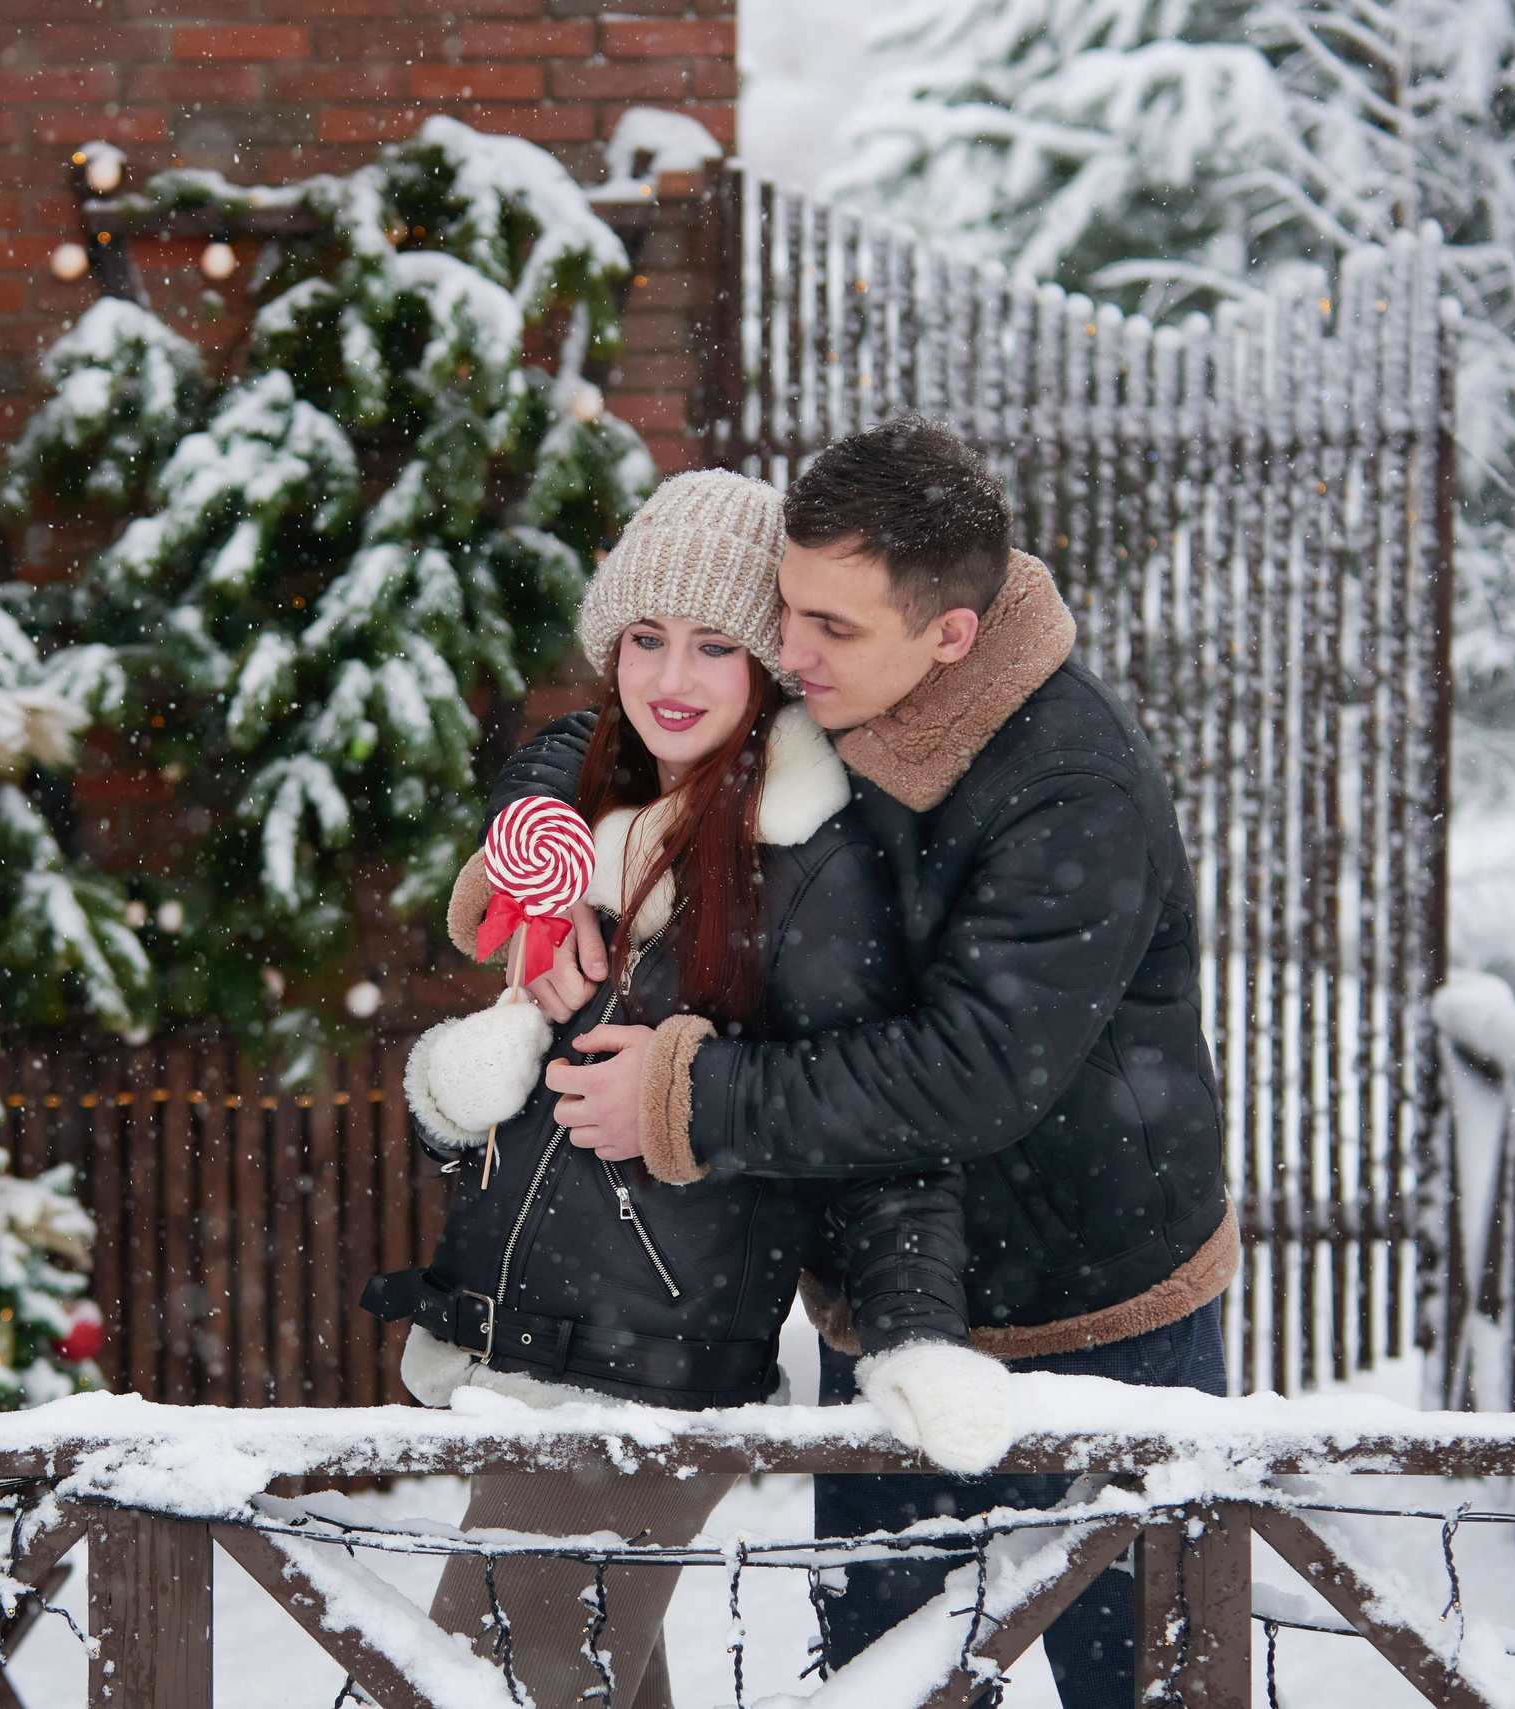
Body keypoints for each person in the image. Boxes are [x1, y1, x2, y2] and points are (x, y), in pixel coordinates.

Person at [476, 419, 1233, 1709]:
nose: (789, 651)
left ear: (949, 634)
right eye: (784, 613)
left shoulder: (1069, 787)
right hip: (886, 1306)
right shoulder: (837, 685)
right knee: (885, 1684)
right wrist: (535, 833)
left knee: (1140, 1687)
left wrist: (688, 1096)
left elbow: (973, 1072)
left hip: (1096, 1316)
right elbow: (618, 725)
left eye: (827, 627)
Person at [367, 469, 1015, 1709]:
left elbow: (878, 1126)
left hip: (642, 1380)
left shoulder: (810, 868)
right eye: (645, 637)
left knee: (479, 1685)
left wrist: (915, 1333)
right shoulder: (603, 809)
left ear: (770, 664)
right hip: (528, 1352)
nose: (671, 676)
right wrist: (459, 1099)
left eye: (716, 644)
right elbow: (548, 1126)